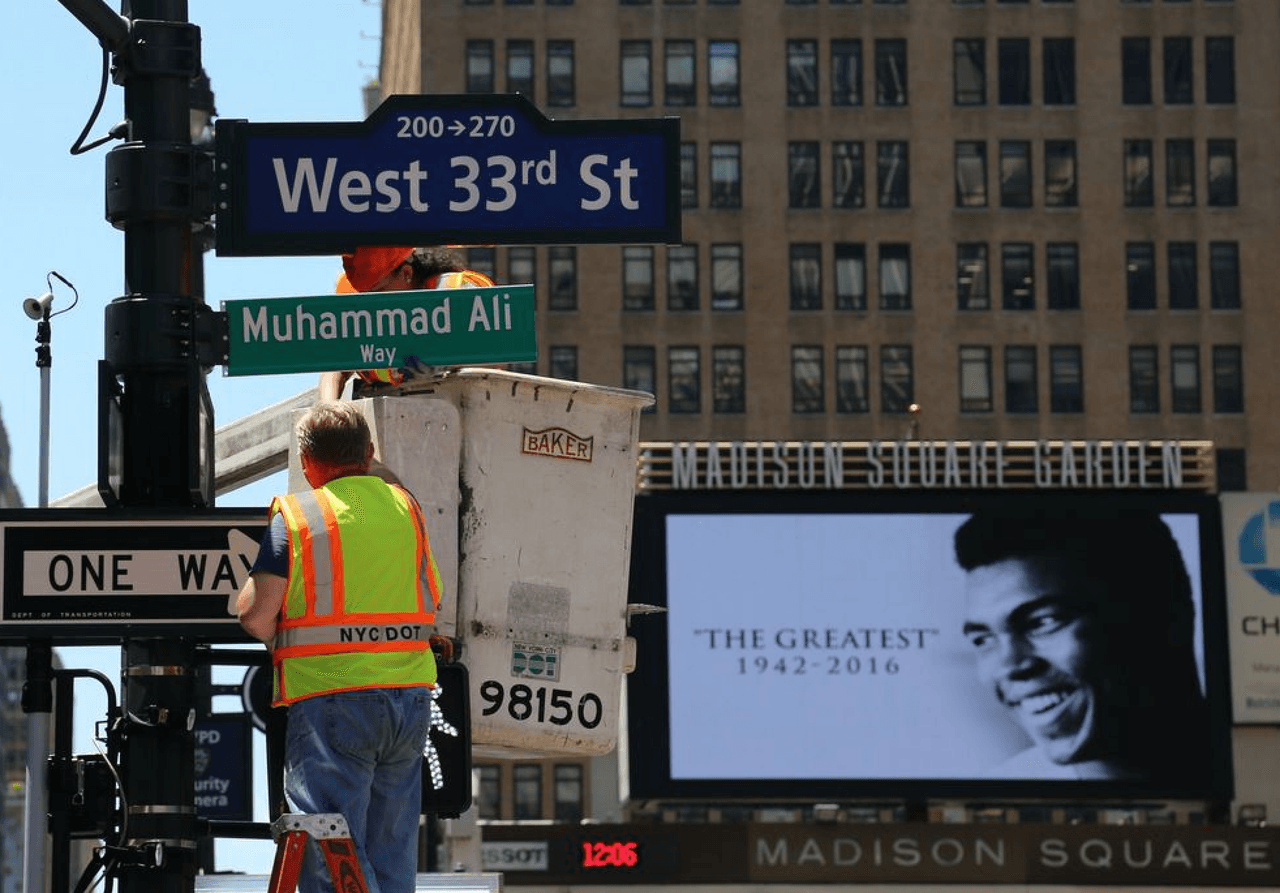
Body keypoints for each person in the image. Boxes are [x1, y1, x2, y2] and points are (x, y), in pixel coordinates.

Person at [236, 401, 446, 893]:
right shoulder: (406, 508)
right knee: (390, 857)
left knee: (332, 859)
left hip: (331, 701)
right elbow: (432, 595)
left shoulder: (298, 516)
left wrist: (280, 638)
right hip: (409, 701)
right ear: (368, 453)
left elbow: (255, 613)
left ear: (306, 462)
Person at [953, 505, 1209, 782]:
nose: (1008, 666)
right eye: (982, 639)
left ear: (1165, 617)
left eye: (1043, 621)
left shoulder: (1243, 760)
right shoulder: (996, 791)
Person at [317, 245, 495, 402]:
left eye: (377, 292)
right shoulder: (354, 305)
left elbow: (495, 355)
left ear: (406, 273)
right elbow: (336, 363)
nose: (370, 307)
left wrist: (447, 362)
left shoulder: (455, 292)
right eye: (363, 296)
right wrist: (328, 406)